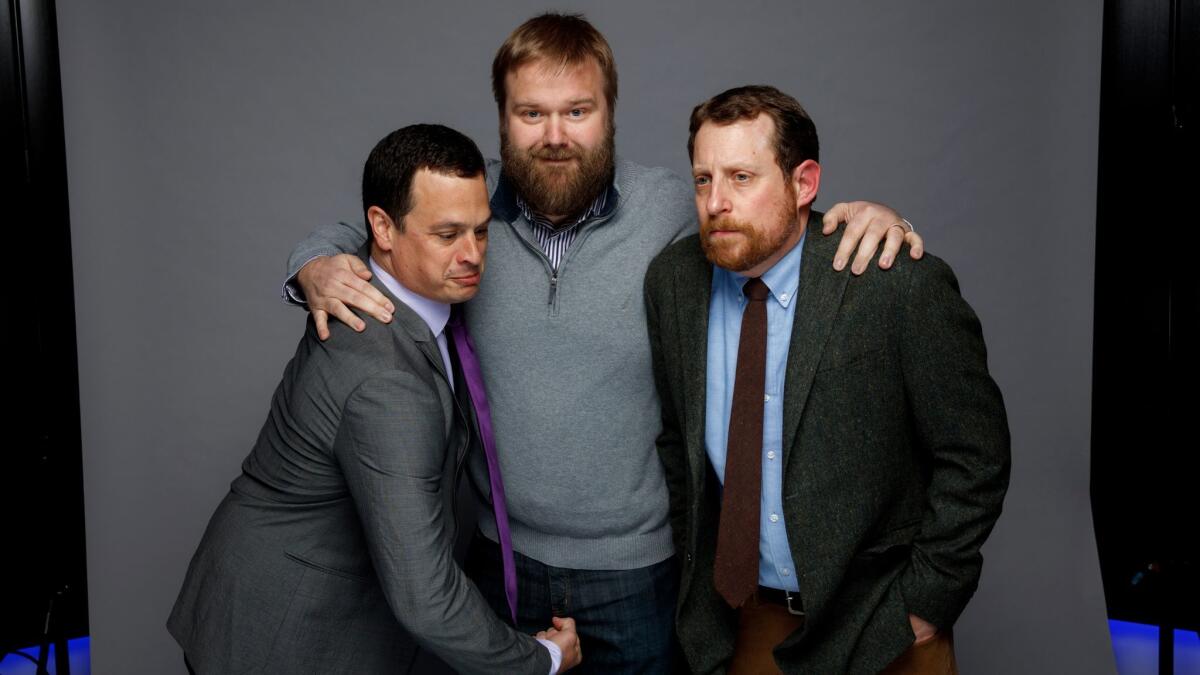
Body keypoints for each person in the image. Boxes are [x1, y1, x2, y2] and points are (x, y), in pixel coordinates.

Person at [284, 14, 924, 672]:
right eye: (531, 112)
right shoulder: (467, 219)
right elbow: (371, 226)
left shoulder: (675, 212)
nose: (555, 135)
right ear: (502, 120)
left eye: (577, 110)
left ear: (610, 112)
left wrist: (872, 218)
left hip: (639, 577)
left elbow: (771, 228)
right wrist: (312, 264)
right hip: (496, 561)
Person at [168, 124, 580, 675]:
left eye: (481, 232)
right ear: (383, 228)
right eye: (447, 234)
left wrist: (314, 262)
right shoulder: (387, 383)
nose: (472, 255)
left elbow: (347, 235)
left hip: (287, 596)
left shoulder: (386, 287)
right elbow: (426, 598)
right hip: (280, 634)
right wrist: (542, 659)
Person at [643, 85, 1011, 674]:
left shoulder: (892, 283)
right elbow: (675, 446)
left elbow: (976, 453)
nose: (716, 202)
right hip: (746, 620)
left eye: (742, 177)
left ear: (804, 184)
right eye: (703, 179)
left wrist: (926, 600)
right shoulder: (674, 284)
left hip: (880, 624)